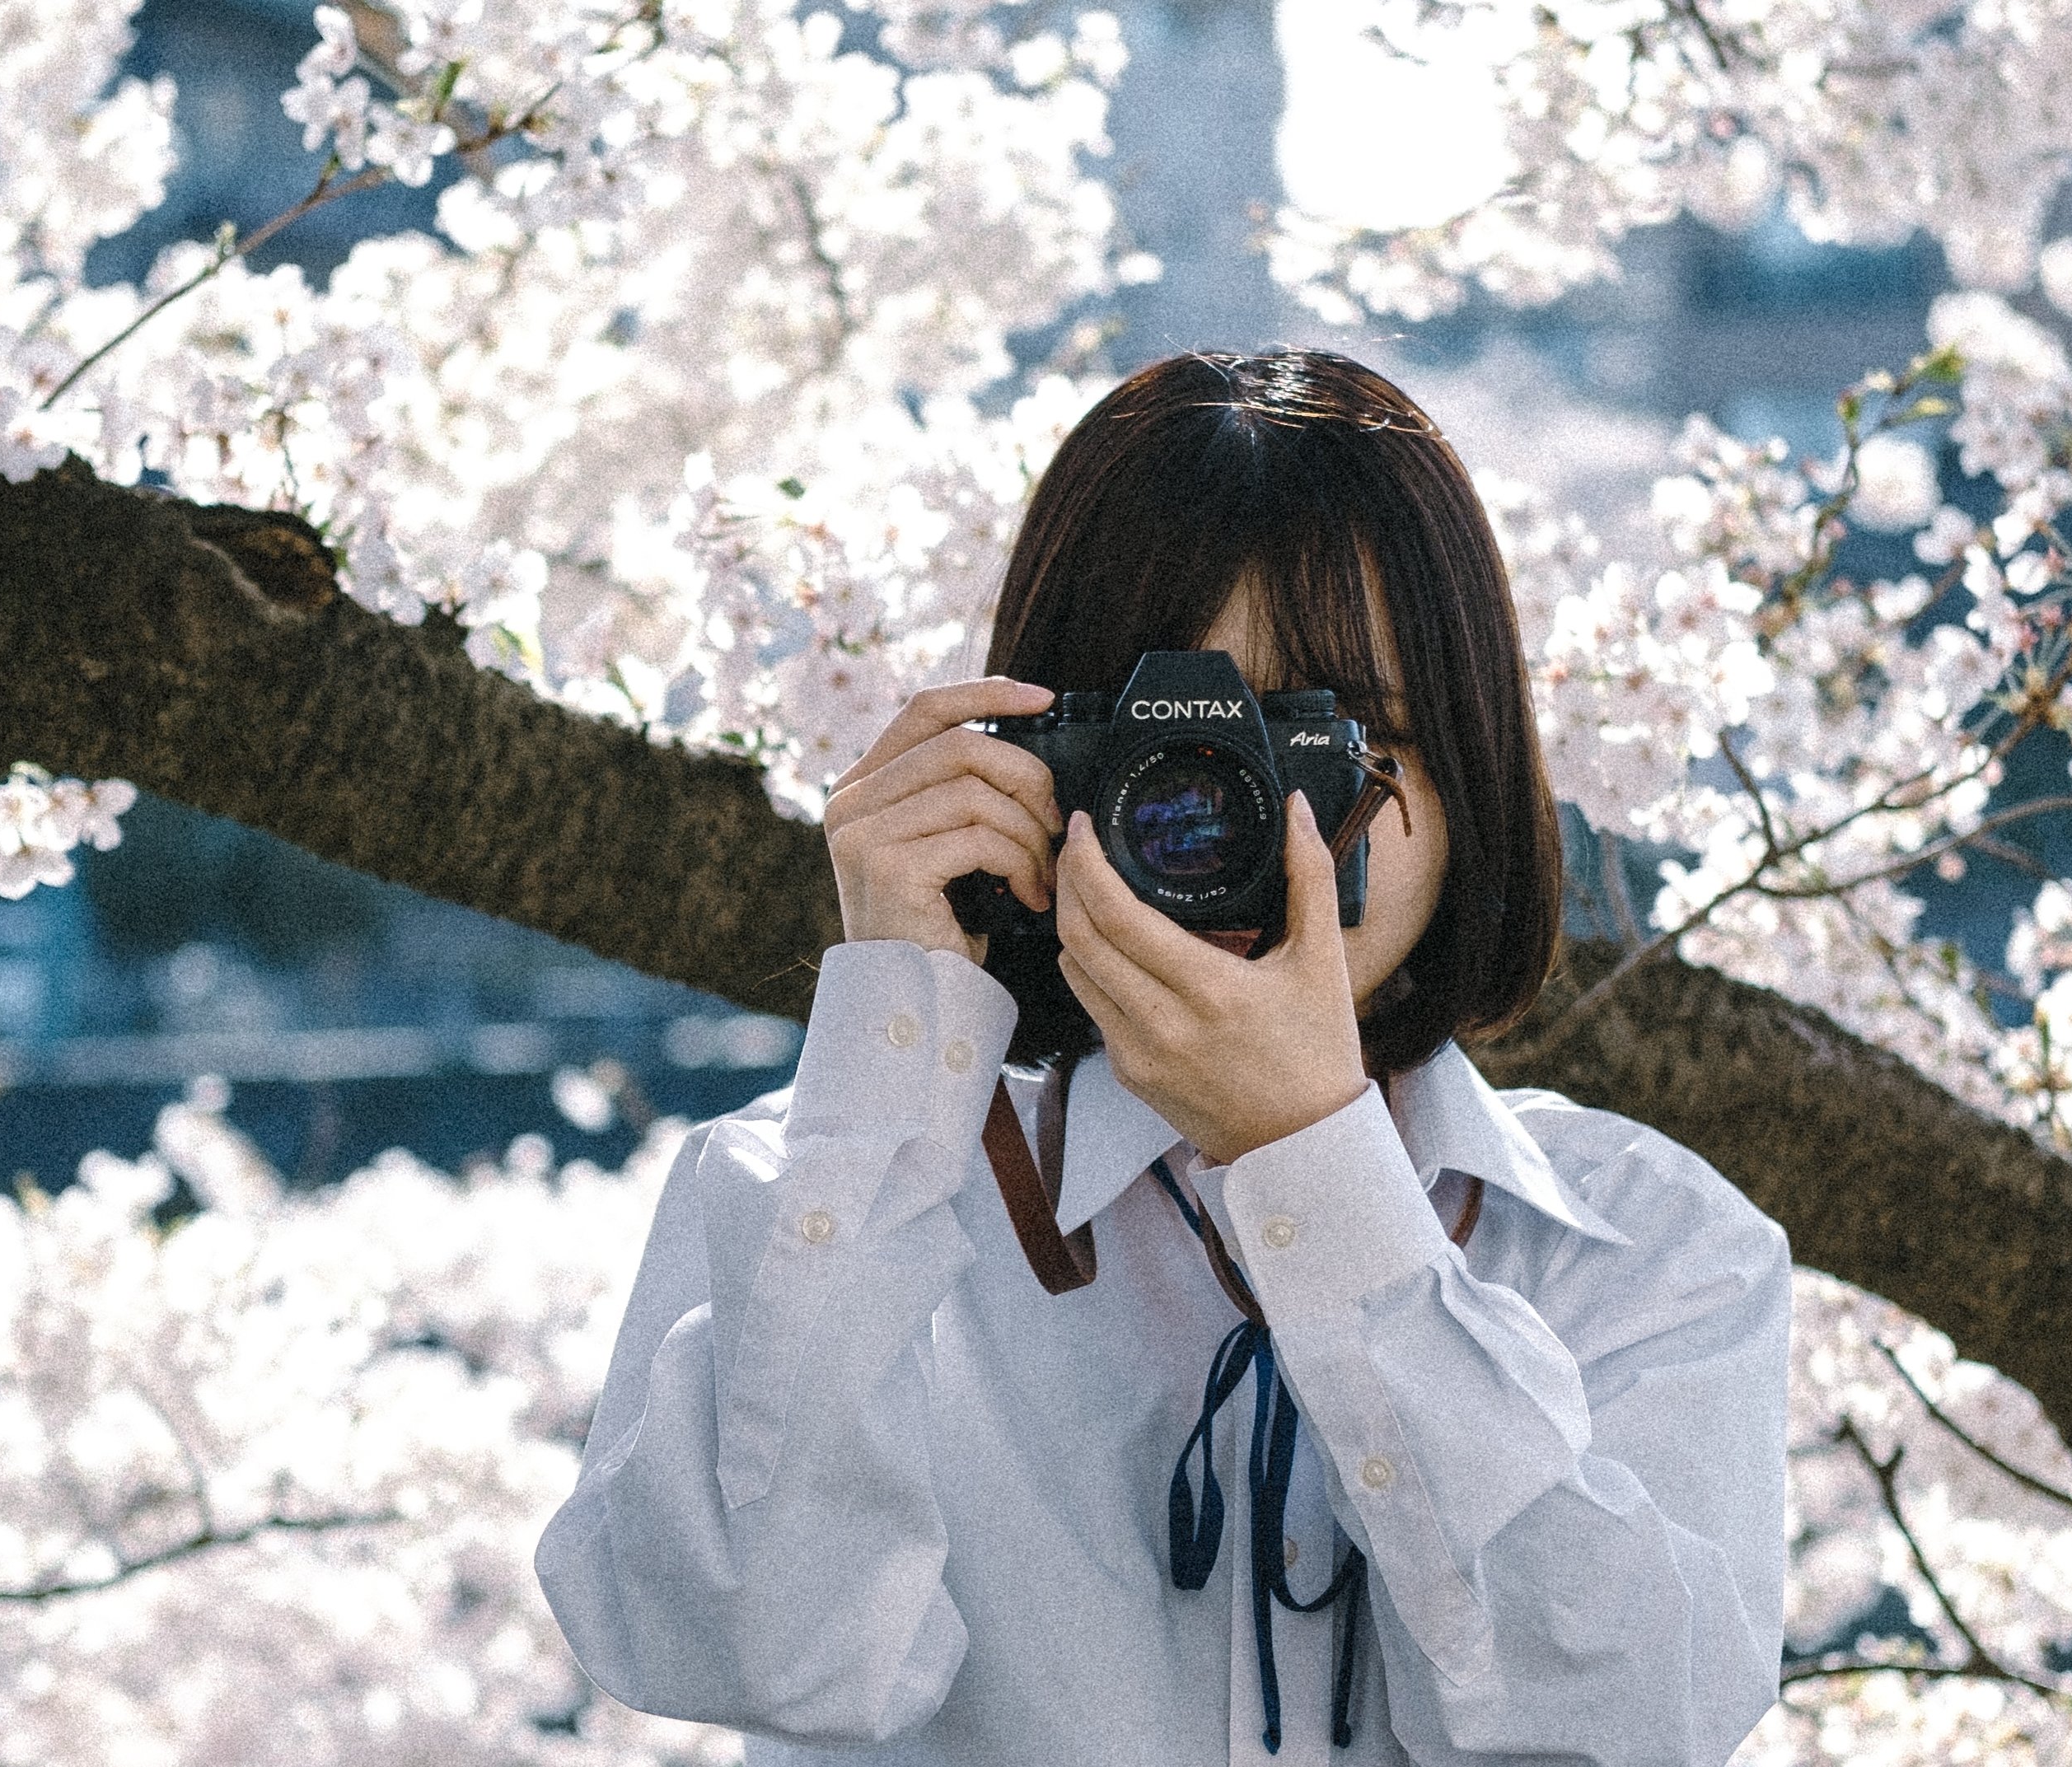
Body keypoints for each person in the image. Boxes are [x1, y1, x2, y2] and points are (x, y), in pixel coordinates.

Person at [536, 350, 1790, 1766]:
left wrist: (1319, 1178)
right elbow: (730, 1646)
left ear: (1473, 760)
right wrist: (896, 1048)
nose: (1240, 819)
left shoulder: (1652, 1248)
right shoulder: (828, 1192)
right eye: (1170, 751)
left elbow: (1634, 1724)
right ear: (1038, 762)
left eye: (1336, 739)